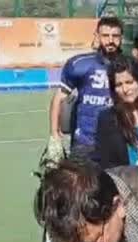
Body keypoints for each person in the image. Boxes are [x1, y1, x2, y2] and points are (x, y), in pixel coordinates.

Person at [49, 17, 124, 161]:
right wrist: (54, 134)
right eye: (105, 36)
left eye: (115, 36)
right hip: (84, 142)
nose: (110, 40)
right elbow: (59, 98)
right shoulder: (79, 64)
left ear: (121, 38)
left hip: (118, 140)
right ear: (97, 36)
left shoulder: (129, 66)